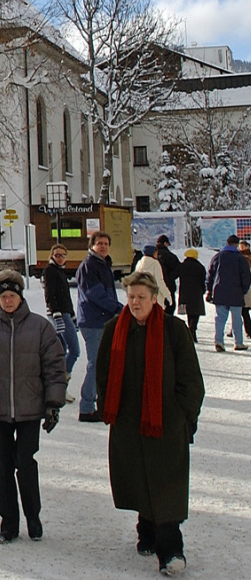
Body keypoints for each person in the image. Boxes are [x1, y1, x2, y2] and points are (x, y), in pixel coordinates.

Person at [96, 271, 204, 577]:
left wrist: (183, 416)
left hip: (166, 425)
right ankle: (146, 531)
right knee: (140, 479)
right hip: (129, 424)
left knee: (166, 487)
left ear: (155, 299)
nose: (135, 303)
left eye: (141, 297)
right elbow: (103, 376)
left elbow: (192, 381)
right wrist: (111, 410)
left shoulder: (174, 330)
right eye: (130, 297)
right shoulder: (114, 329)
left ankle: (171, 551)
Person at [0, 269, 66, 544]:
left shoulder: (40, 327)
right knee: (4, 467)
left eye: (12, 296)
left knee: (25, 463)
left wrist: (53, 403)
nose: (8, 301)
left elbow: (55, 367)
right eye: (3, 296)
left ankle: (33, 517)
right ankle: (8, 523)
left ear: (20, 297)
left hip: (30, 409)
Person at [75, 231, 122, 422]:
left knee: (103, 364)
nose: (103, 246)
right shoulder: (89, 266)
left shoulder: (103, 265)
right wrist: (118, 308)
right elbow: (96, 295)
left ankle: (99, 402)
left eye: (106, 243)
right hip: (93, 321)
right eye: (99, 243)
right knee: (96, 364)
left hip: (102, 320)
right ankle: (86, 408)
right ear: (92, 246)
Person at [42, 243, 79, 402]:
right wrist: (57, 313)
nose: (60, 258)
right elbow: (50, 294)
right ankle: (62, 380)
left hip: (64, 313)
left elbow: (65, 296)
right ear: (52, 256)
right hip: (58, 314)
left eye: (63, 255)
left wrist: (72, 314)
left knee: (61, 350)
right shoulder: (50, 271)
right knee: (75, 350)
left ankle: (58, 388)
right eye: (57, 255)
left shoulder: (60, 271)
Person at [205, 234, 251, 352]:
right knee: (237, 319)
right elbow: (246, 276)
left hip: (220, 292)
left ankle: (219, 341)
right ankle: (238, 343)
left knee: (220, 318)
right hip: (236, 292)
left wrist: (210, 289)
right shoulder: (240, 259)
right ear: (236, 245)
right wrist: (244, 290)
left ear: (227, 243)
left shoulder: (218, 256)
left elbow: (210, 274)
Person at [176, 249, 207, 343]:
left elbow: (175, 275)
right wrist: (203, 290)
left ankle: (191, 329)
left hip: (185, 292)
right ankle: (193, 328)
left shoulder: (182, 266)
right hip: (196, 293)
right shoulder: (200, 267)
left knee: (189, 312)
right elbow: (203, 281)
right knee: (196, 312)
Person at [135, 244, 171, 309]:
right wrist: (167, 295)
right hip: (155, 298)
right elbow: (159, 282)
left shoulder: (139, 264)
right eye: (156, 252)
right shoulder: (155, 264)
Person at [156, 236, 181, 315]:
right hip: (168, 285)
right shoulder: (170, 256)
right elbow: (178, 269)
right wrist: (170, 277)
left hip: (154, 287)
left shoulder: (152, 256)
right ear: (165, 243)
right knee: (169, 307)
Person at [239, 238, 251, 338]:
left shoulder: (239, 258)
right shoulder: (238, 257)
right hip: (245, 287)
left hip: (246, 287)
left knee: (243, 310)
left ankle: (248, 330)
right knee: (242, 310)